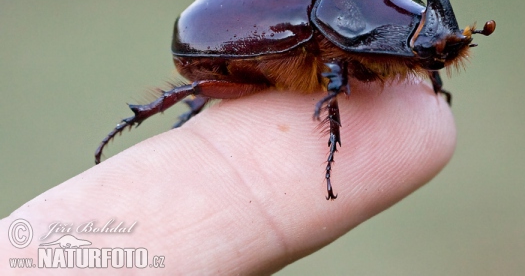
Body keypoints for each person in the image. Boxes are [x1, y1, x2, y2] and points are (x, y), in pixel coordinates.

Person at [1, 80, 455, 274]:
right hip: (218, 44)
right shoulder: (330, 45)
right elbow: (333, 76)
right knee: (203, 87)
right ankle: (143, 120)